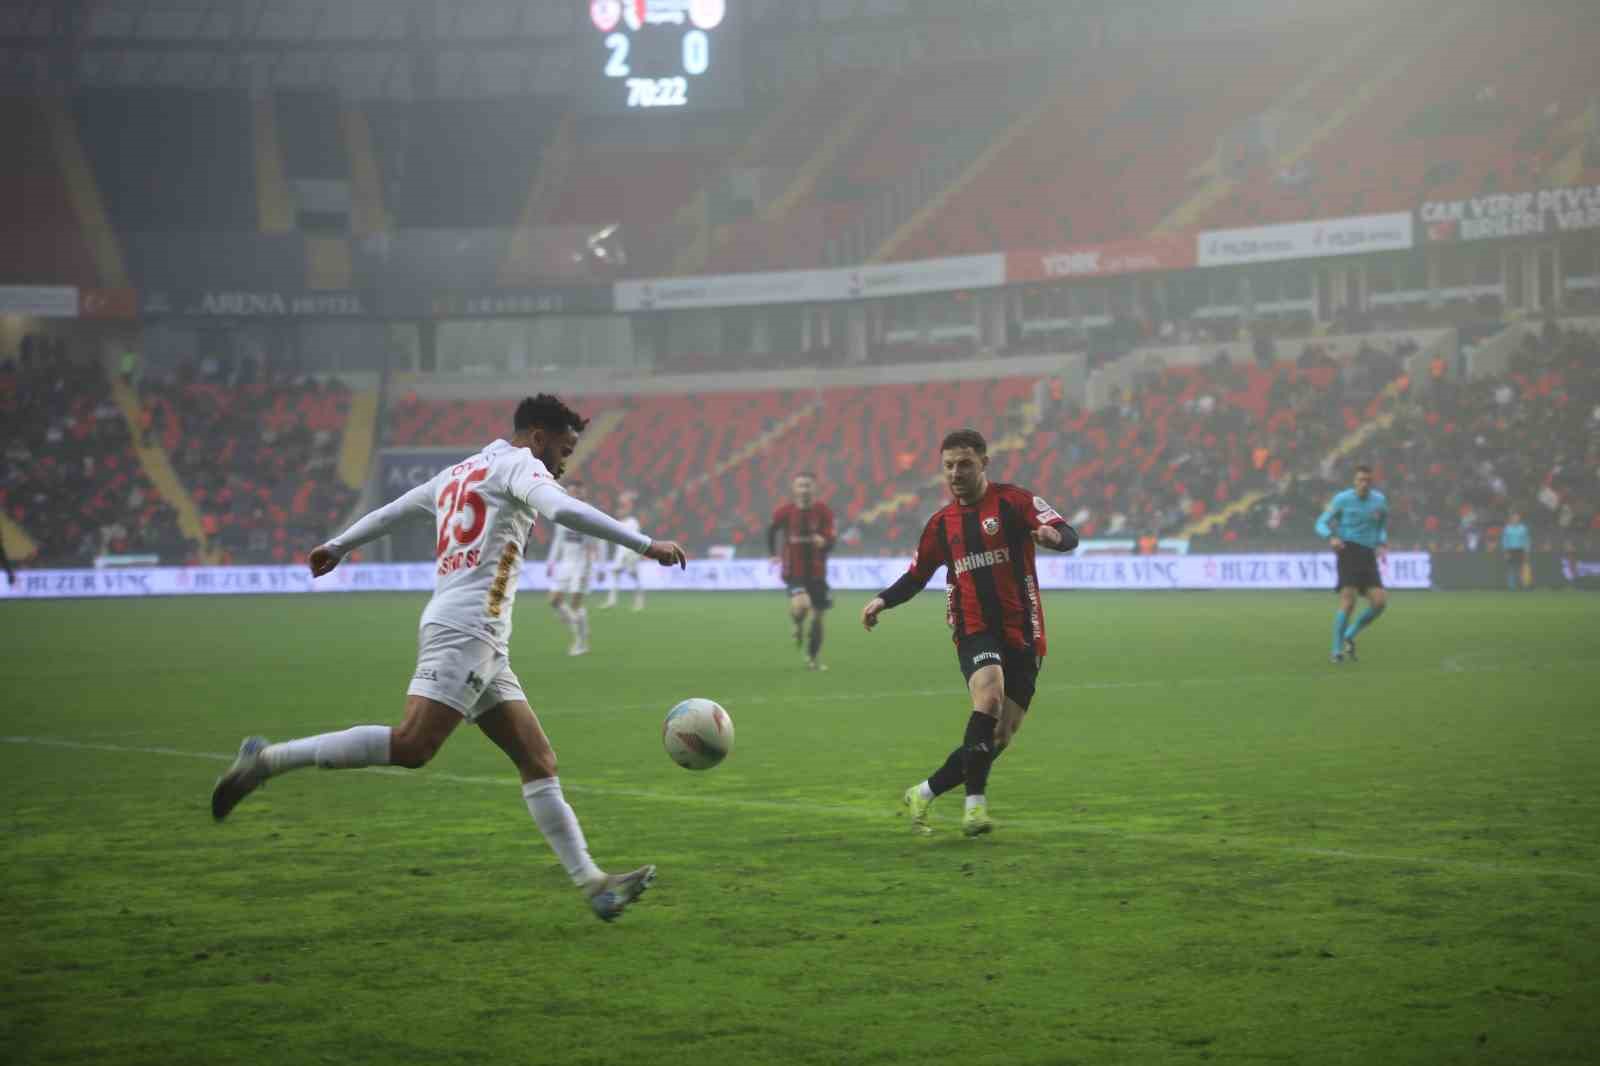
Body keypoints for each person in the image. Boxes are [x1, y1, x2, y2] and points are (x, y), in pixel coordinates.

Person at [209, 394, 688, 923]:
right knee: (413, 744)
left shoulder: (462, 470)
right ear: (537, 435)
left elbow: (398, 509)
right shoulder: (519, 465)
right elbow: (563, 510)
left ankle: (595, 884)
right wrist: (645, 545)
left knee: (537, 760)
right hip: (468, 629)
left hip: (477, 635)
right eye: (563, 449)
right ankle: (268, 761)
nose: (563, 463)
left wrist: (341, 544)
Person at [860, 429, 1078, 837]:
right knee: (989, 695)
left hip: (1024, 629)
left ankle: (923, 792)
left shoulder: (1015, 502)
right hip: (973, 627)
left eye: (964, 464)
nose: (955, 473)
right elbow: (916, 575)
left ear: (983, 463)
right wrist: (882, 600)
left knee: (998, 736)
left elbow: (1067, 532)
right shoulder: (941, 525)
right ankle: (974, 807)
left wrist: (1055, 539)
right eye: (948, 466)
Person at [1315, 463, 1389, 663]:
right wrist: (1331, 537)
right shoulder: (1342, 499)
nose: (1364, 484)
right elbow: (1320, 522)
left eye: (1367, 480)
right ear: (1354, 481)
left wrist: (1381, 542)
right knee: (1349, 602)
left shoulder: (1380, 501)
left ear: (1372, 482)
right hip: (1348, 551)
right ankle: (1336, 650)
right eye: (1360, 480)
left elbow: (1382, 525)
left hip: (1368, 555)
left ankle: (1350, 634)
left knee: (1380, 602)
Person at [768, 472, 836, 670]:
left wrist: (825, 542)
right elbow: (771, 530)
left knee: (818, 618)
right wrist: (773, 553)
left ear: (814, 488)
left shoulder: (823, 512)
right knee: (802, 605)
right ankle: (797, 624)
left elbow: (831, 538)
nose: (804, 489)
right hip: (794, 571)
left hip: (817, 572)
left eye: (808, 485)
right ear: (794, 489)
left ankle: (812, 659)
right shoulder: (785, 512)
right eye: (800, 485)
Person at [546, 478, 599, 656]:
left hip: (582, 564)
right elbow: (558, 540)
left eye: (577, 491)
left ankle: (580, 642)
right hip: (565, 563)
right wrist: (551, 562)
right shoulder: (562, 512)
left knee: (575, 605)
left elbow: (597, 543)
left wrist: (599, 567)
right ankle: (580, 624)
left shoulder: (590, 513)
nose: (573, 494)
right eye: (570, 491)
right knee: (554, 601)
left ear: (582, 493)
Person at [600, 491, 647, 611]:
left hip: (631, 553)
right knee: (615, 574)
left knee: (634, 576)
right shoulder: (618, 523)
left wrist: (635, 554)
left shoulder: (633, 522)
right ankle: (612, 601)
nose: (619, 513)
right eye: (618, 511)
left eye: (621, 510)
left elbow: (636, 539)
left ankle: (639, 601)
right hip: (620, 553)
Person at [1502, 511, 1531, 590]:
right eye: (1514, 517)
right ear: (1511, 519)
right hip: (1510, 550)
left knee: (1521, 568)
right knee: (1511, 569)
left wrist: (1526, 551)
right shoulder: (1507, 528)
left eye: (1517, 517)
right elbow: (1504, 541)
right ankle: (1511, 587)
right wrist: (1505, 552)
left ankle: (1524, 585)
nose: (1515, 519)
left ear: (1519, 518)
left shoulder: (1523, 528)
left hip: (1520, 550)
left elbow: (1526, 540)